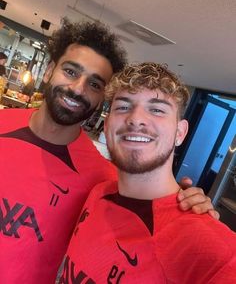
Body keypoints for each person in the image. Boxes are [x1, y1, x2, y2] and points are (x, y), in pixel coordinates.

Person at [0, 20, 216, 283]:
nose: (78, 88)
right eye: (70, 71)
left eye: (95, 84)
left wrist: (190, 208)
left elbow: (153, 205)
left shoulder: (104, 180)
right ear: (48, 71)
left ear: (102, 98)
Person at [61, 62, 236, 283]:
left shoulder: (210, 248)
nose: (136, 119)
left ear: (180, 133)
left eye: (156, 109)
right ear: (106, 127)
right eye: (123, 107)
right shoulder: (97, 193)